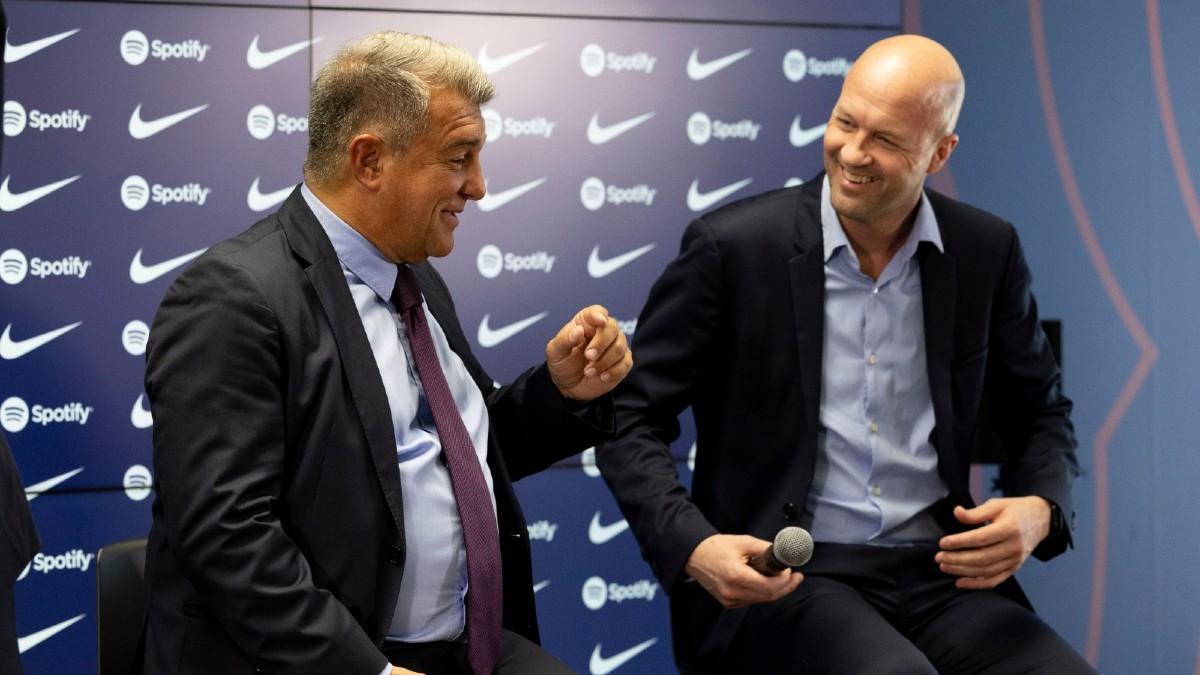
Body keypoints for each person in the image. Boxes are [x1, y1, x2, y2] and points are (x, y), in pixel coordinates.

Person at [598, 34, 1094, 673]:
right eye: (844, 122)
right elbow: (627, 419)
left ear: (940, 152)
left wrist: (1040, 509)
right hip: (788, 574)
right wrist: (693, 545)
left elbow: (1042, 412)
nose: (852, 153)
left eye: (886, 140)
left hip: (943, 575)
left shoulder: (986, 250)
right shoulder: (732, 248)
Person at [140, 32, 630, 675]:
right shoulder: (234, 298)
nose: (478, 187)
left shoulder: (414, 277)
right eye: (460, 158)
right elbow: (226, 536)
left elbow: (468, 451)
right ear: (370, 161)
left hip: (464, 646)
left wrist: (564, 393)